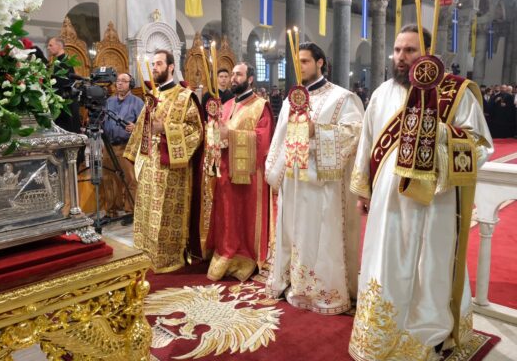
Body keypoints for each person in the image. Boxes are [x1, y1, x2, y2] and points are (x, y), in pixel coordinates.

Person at [348, 25, 493, 361]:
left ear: (428, 53)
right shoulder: (382, 93)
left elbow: (480, 146)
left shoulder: (455, 92)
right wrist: (363, 191)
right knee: (385, 262)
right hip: (387, 202)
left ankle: (428, 331)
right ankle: (382, 331)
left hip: (434, 202)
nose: (401, 57)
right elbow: (367, 145)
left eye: (410, 50)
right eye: (398, 50)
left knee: (429, 265)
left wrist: (440, 135)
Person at [264, 42, 364, 314]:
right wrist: (275, 172)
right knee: (293, 231)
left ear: (320, 63)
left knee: (319, 235)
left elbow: (356, 133)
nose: (300, 67)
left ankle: (322, 289)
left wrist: (316, 131)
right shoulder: (290, 100)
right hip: (294, 180)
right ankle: (292, 282)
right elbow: (280, 138)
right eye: (297, 62)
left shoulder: (342, 98)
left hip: (322, 185)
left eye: (305, 61)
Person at [124, 49, 203, 273]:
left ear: (171, 67)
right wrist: (131, 157)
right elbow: (141, 128)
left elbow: (196, 131)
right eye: (153, 64)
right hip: (149, 166)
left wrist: (166, 129)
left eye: (159, 63)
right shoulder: (152, 97)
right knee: (147, 212)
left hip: (172, 169)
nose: (155, 68)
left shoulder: (185, 97)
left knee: (165, 216)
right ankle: (145, 253)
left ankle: (168, 258)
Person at [204, 62, 274, 281]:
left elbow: (263, 140)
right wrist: (214, 133)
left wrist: (231, 135)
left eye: (239, 75)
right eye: (232, 74)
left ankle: (245, 256)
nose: (234, 78)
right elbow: (216, 136)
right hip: (225, 171)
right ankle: (225, 252)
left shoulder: (261, 106)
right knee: (226, 215)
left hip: (249, 176)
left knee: (244, 217)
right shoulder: (226, 105)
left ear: (250, 79)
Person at [101, 73, 144, 221]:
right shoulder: (109, 101)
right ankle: (111, 210)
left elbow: (145, 123)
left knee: (131, 179)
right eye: (118, 81)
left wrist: (136, 127)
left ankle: (130, 211)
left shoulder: (137, 102)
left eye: (123, 81)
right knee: (109, 179)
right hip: (108, 146)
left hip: (127, 146)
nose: (119, 83)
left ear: (130, 84)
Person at [47, 37, 79, 133]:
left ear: (59, 46)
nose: (48, 48)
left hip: (66, 108)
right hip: (60, 106)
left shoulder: (65, 63)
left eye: (50, 45)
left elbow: (62, 86)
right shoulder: (57, 62)